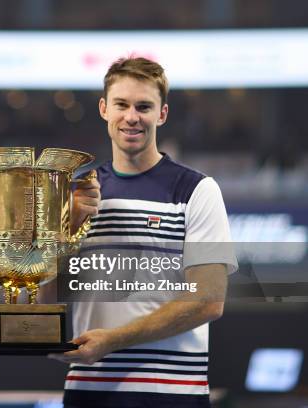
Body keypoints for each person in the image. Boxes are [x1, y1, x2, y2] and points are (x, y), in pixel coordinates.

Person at [49, 57, 238, 407]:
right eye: (121, 104)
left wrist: (113, 341)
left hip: (171, 393)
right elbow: (47, 297)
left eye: (144, 106)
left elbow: (209, 300)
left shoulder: (197, 190)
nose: (131, 117)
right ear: (104, 109)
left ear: (162, 114)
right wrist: (65, 234)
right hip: (89, 391)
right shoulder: (73, 195)